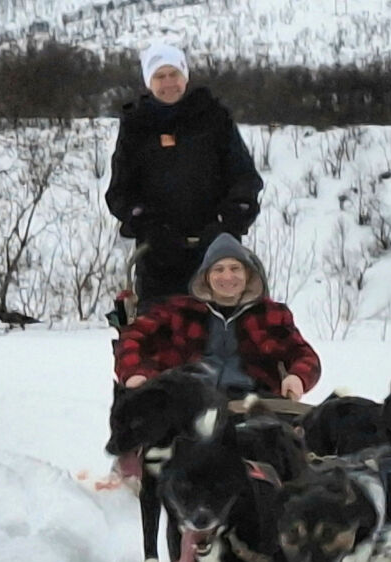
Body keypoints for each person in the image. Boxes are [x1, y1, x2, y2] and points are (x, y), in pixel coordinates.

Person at [105, 42, 264, 312]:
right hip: (158, 254)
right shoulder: (136, 126)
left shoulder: (214, 117)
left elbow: (244, 178)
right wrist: (147, 223)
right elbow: (120, 192)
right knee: (162, 334)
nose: (168, 83)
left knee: (224, 331)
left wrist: (229, 221)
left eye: (173, 74)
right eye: (159, 76)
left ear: (185, 76)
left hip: (217, 253)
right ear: (148, 82)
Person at [114, 234, 320, 400]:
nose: (227, 277)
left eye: (235, 269)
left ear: (248, 274)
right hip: (188, 401)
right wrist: (135, 373)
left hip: (253, 401)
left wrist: (297, 378)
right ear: (206, 276)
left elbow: (304, 355)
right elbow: (132, 337)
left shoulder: (271, 314)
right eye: (219, 270)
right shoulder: (179, 311)